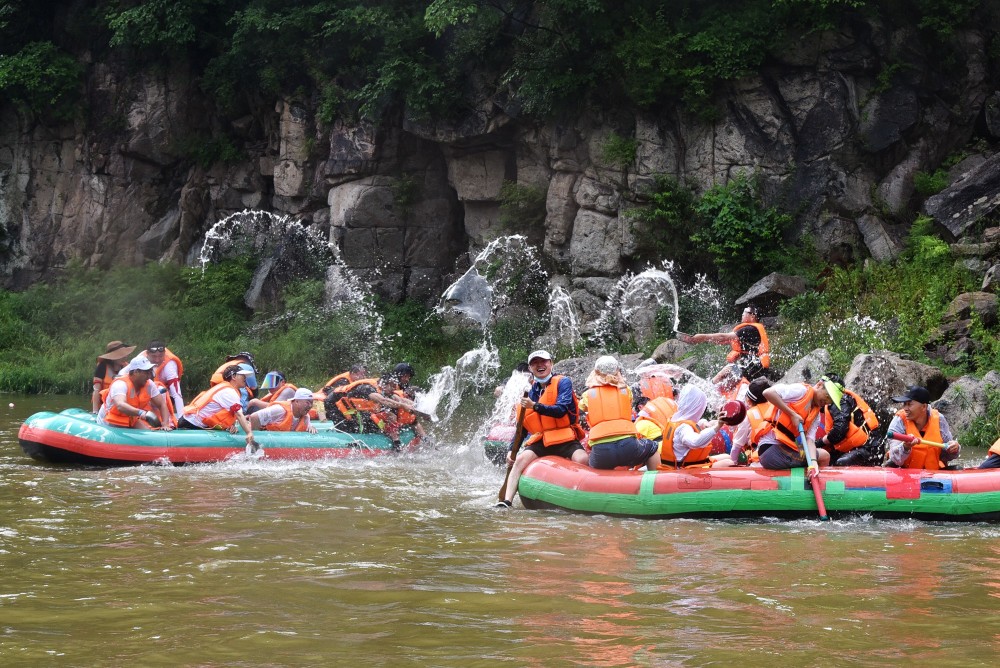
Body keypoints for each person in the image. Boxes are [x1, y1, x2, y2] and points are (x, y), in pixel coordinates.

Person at [497, 350, 588, 508]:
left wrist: (535, 406)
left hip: (565, 437)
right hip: (543, 440)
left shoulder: (563, 382)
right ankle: (506, 502)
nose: (540, 365)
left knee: (582, 459)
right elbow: (522, 428)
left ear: (551, 363)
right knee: (519, 461)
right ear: (530, 368)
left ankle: (579, 498)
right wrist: (511, 449)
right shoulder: (531, 391)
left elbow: (561, 410)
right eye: (535, 363)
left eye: (543, 362)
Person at [581, 356, 660, 471]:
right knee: (652, 448)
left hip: (601, 450)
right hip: (628, 445)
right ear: (617, 371)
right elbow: (627, 403)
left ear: (596, 372)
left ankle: (596, 485)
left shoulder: (588, 394)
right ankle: (655, 482)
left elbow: (582, 407)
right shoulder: (626, 390)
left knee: (590, 463)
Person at [676, 305, 770, 386]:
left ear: (753, 316)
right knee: (727, 373)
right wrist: (704, 340)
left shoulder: (749, 329)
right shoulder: (750, 329)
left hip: (756, 367)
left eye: (744, 312)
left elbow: (723, 337)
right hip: (753, 366)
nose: (742, 314)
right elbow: (724, 341)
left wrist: (702, 337)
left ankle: (710, 387)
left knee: (726, 371)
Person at [756, 378, 834, 475]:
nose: (826, 401)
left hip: (783, 450)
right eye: (827, 396)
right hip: (771, 450)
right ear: (819, 385)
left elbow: (810, 441)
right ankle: (813, 486)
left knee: (819, 456)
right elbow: (768, 392)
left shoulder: (816, 415)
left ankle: (813, 475)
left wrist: (813, 464)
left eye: (830, 401)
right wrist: (792, 414)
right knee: (824, 456)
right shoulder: (801, 390)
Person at [178, 364, 256, 448]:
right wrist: (249, 433)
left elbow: (229, 413)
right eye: (242, 375)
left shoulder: (227, 389)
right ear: (233, 376)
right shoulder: (229, 391)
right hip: (190, 425)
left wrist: (230, 425)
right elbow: (239, 414)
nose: (245, 378)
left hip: (190, 422)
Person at [886, 386, 961, 469]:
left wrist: (954, 449)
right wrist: (905, 447)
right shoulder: (898, 421)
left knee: (958, 469)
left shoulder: (939, 419)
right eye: (904, 404)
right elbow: (895, 458)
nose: (905, 409)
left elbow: (947, 456)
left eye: (909, 404)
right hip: (905, 473)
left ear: (924, 407)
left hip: (932, 474)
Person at [329, 373, 417, 443]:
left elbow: (400, 399)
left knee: (390, 415)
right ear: (383, 384)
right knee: (352, 429)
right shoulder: (367, 388)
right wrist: (403, 406)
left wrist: (416, 405)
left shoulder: (384, 389)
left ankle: (396, 442)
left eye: (395, 386)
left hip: (355, 410)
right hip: (335, 406)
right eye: (392, 386)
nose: (393, 389)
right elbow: (383, 401)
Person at [816, 374, 881, 466]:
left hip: (869, 449)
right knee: (828, 459)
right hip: (858, 448)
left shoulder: (840, 401)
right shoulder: (833, 403)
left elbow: (839, 430)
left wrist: (819, 443)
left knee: (839, 463)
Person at [97, 356, 173, 431]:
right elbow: (120, 405)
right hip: (109, 421)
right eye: (146, 372)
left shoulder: (149, 385)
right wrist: (141, 413)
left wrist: (165, 424)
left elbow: (162, 404)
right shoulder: (120, 384)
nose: (149, 376)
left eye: (150, 372)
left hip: (131, 419)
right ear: (136, 372)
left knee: (148, 433)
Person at [657, 385, 722, 469]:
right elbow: (696, 442)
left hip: (684, 464)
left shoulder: (677, 419)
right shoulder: (684, 428)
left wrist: (705, 423)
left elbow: (696, 424)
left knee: (726, 457)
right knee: (729, 461)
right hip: (684, 470)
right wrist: (717, 427)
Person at [721, 377, 773, 466]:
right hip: (781, 455)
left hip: (761, 462)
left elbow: (736, 447)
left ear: (748, 400)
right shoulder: (775, 407)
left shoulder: (748, 416)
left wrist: (732, 465)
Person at [142, 340, 184, 418]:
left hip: (164, 393)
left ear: (164, 354)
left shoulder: (170, 366)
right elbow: (124, 372)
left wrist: (182, 418)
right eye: (154, 356)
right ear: (147, 354)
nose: (157, 360)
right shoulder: (141, 359)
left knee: (161, 390)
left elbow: (177, 393)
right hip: (145, 392)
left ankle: (164, 418)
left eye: (161, 356)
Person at [92, 340, 136, 413]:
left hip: (121, 405)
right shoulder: (102, 367)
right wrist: (95, 411)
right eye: (121, 355)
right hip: (103, 407)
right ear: (113, 357)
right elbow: (96, 390)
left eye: (124, 354)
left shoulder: (127, 367)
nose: (125, 357)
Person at [249, 387, 317, 433]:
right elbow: (254, 417)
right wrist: (255, 438)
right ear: (296, 401)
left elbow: (308, 426)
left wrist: (311, 427)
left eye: (311, 403)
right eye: (307, 403)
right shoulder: (279, 410)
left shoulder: (306, 416)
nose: (310, 406)